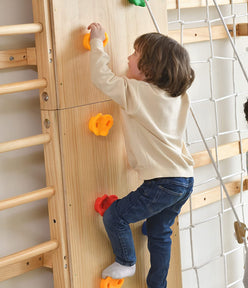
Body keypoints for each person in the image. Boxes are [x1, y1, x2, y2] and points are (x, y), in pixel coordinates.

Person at [88, 22, 195, 288]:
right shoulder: (177, 96)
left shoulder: (136, 92)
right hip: (184, 180)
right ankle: (157, 284)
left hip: (162, 183)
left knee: (115, 216)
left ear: (148, 69)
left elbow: (103, 78)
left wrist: (97, 43)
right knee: (160, 232)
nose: (127, 57)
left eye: (134, 54)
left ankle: (125, 261)